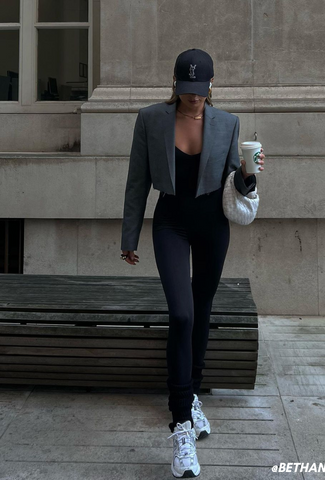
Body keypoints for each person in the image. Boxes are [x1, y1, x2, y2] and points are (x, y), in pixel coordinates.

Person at [121, 48, 265, 478]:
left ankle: (194, 393)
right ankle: (181, 423)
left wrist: (249, 174)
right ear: (176, 86)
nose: (193, 99)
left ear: (210, 87)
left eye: (200, 92)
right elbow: (136, 181)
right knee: (181, 314)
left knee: (202, 311)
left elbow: (231, 181)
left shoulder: (228, 123)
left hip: (212, 223)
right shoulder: (150, 119)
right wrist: (129, 235)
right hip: (170, 222)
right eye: (186, 91)